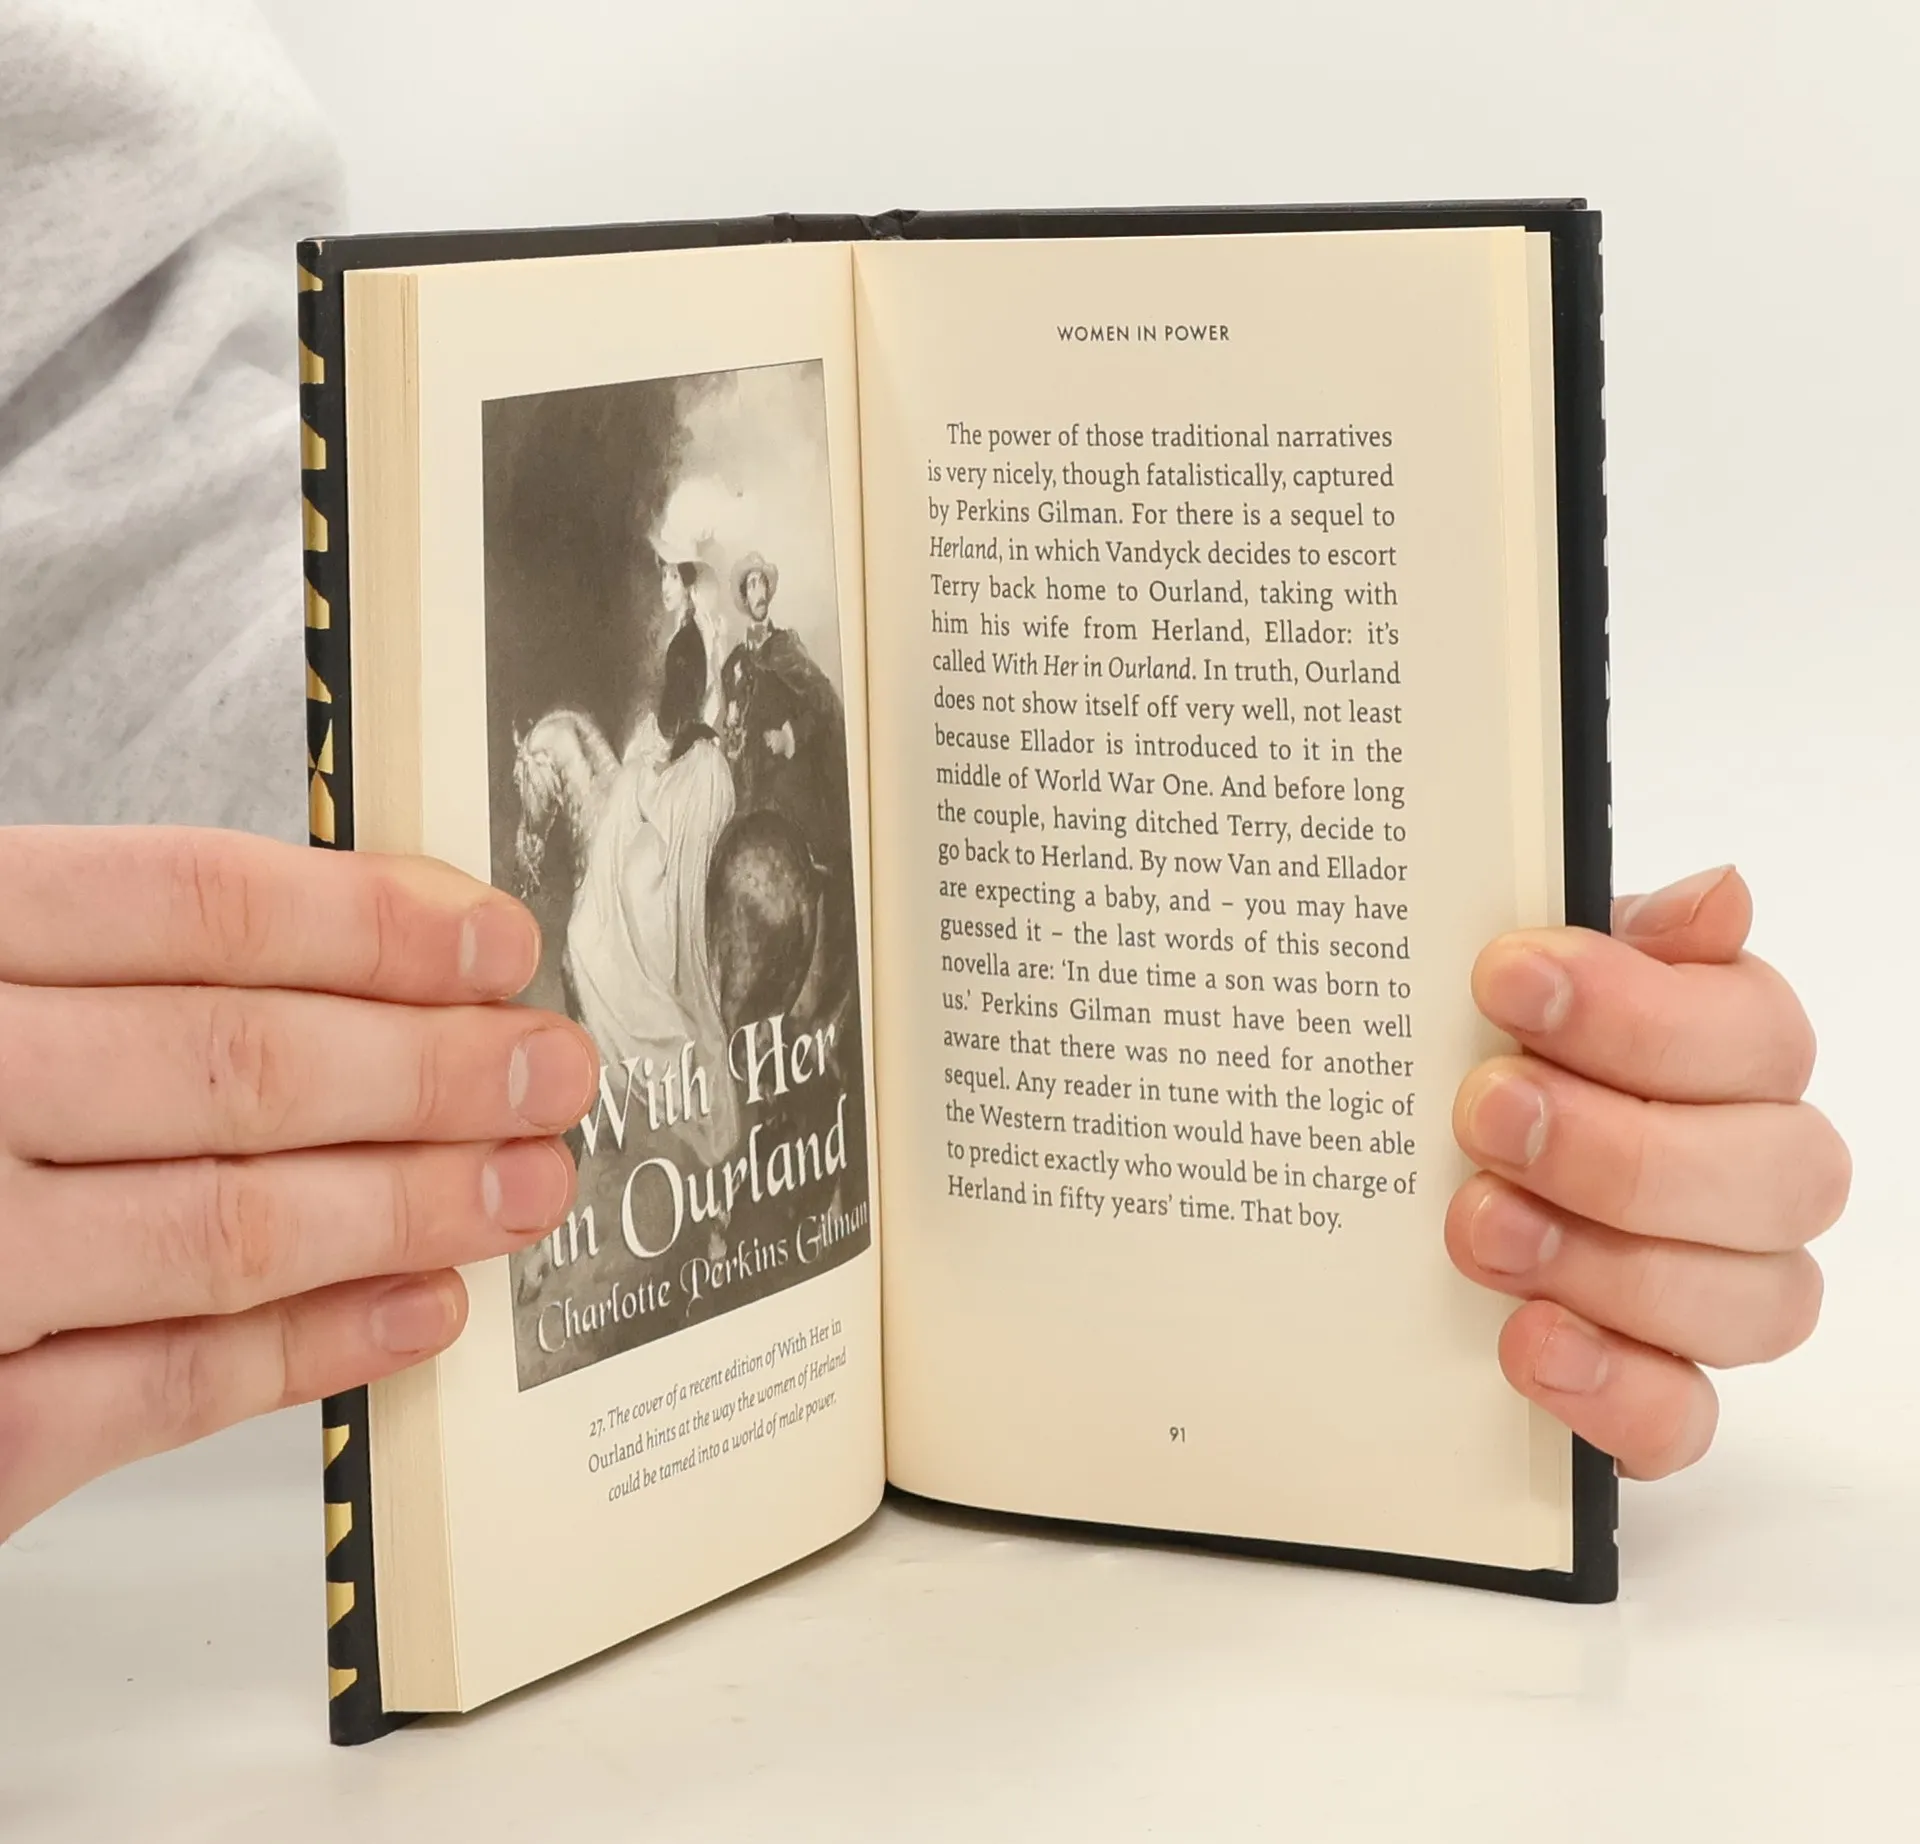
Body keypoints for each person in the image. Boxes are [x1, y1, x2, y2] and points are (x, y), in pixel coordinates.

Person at [0, 5, 1849, 1545]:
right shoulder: (693, 692)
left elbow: (127, 511)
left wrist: (1389, 983)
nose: (710, 595)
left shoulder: (747, 686)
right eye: (697, 576)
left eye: (723, 576)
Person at [563, 613, 740, 1164]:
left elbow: (672, 812)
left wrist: (645, 781)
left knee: (601, 922)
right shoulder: (689, 747)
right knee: (625, 815)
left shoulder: (701, 757)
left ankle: (625, 984)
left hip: (666, 874)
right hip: (661, 849)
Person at [719, 551, 852, 874]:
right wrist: (731, 733)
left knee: (810, 856)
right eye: (752, 585)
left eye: (762, 584)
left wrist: (788, 736)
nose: (759, 592)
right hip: (749, 784)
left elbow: (822, 705)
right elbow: (732, 723)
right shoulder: (734, 662)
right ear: (745, 598)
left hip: (787, 777)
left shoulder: (785, 647)